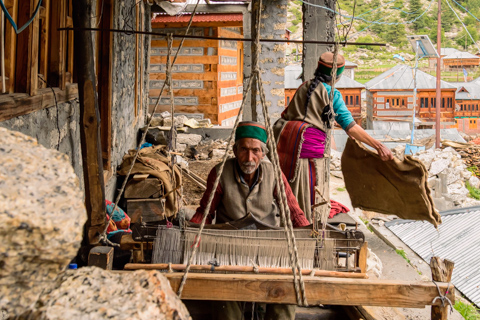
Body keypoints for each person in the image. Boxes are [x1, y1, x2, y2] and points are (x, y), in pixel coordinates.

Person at [190, 121, 310, 320]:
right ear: (235, 150)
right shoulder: (220, 173)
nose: (249, 157)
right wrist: (191, 238)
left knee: (285, 289)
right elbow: (205, 212)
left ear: (263, 153)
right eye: (243, 149)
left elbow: (293, 212)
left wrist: (310, 239)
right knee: (225, 292)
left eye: (255, 150)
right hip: (230, 246)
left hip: (268, 247)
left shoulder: (274, 173)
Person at [274, 52, 393, 223]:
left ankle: (289, 219)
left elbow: (288, 115)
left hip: (287, 147)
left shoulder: (304, 87)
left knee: (291, 189)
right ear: (338, 75)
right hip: (310, 155)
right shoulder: (331, 94)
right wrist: (379, 146)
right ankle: (305, 224)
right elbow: (351, 127)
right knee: (310, 193)